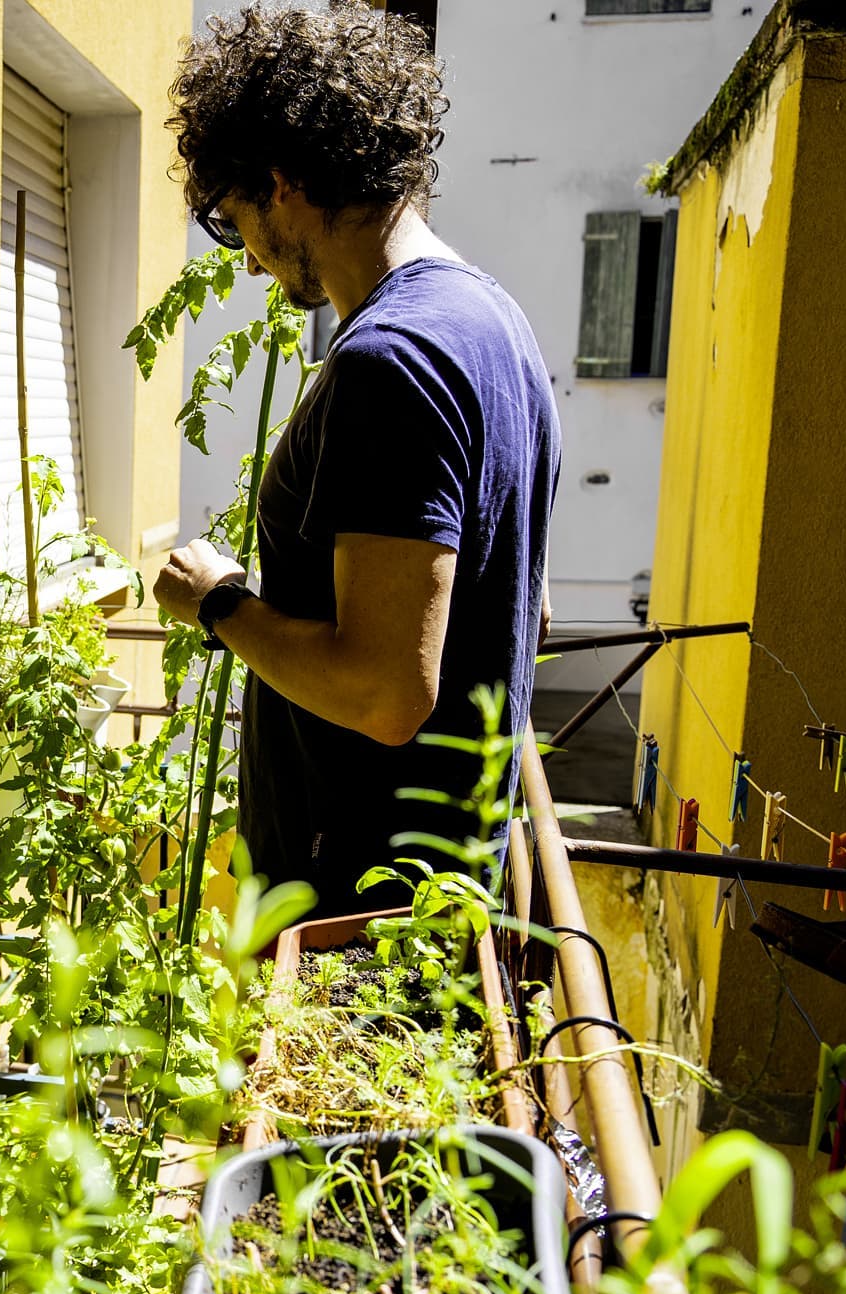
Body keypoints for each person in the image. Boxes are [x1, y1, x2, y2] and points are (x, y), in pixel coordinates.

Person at [153, 2, 559, 918]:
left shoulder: (389, 364)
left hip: (356, 920)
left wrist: (219, 601)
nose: (251, 263)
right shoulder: (497, 322)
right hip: (435, 895)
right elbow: (522, 611)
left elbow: (385, 695)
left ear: (284, 181)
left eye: (236, 218)